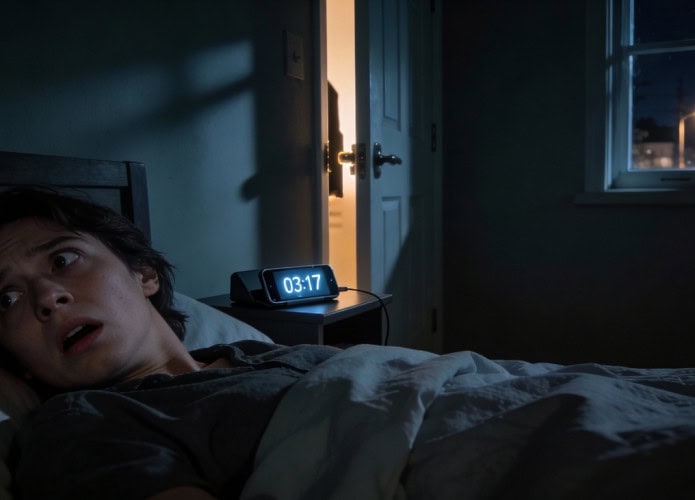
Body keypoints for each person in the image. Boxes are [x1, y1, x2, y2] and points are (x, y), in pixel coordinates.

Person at [0, 188, 339, 499]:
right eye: (7, 299)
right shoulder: (79, 427)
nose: (46, 297)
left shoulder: (259, 352)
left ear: (145, 274)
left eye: (62, 260)